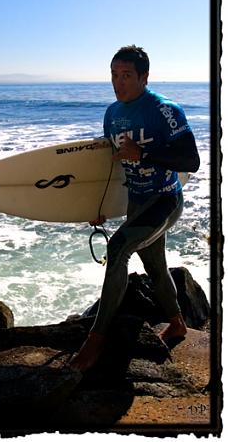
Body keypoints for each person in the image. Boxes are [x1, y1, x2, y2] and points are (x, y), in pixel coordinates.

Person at [70, 45, 200, 373]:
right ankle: (177, 323)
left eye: (126, 75)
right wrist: (96, 206)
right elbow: (112, 168)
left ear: (144, 77)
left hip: (164, 200)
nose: (118, 82)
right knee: (155, 266)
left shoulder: (165, 110)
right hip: (136, 202)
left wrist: (142, 155)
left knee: (117, 250)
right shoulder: (112, 114)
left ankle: (95, 340)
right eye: (114, 75)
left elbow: (191, 161)